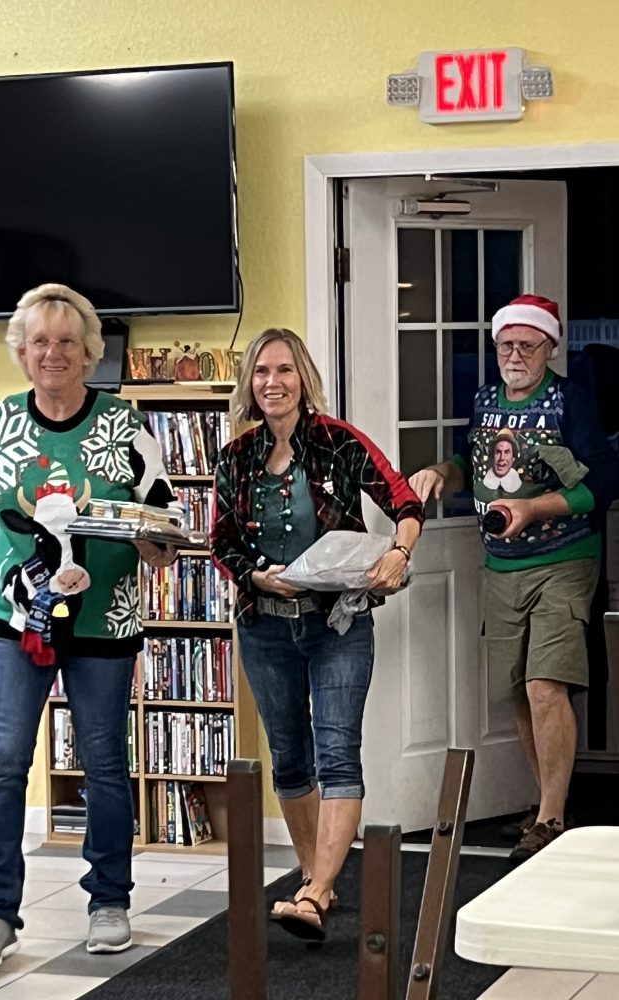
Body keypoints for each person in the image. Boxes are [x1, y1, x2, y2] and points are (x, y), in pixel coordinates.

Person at [0, 283, 179, 969]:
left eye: (68, 342)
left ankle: (110, 902)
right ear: (22, 353)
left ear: (88, 353)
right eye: (40, 342)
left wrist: (157, 543)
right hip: (17, 618)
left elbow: (163, 517)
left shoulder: (125, 423)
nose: (54, 353)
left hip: (105, 621)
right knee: (3, 762)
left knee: (104, 763)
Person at [211, 327, 422, 941]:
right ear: (249, 383)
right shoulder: (235, 456)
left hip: (338, 623)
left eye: (284, 370)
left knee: (337, 750)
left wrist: (400, 553)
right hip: (264, 625)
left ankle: (317, 890)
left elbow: (405, 502)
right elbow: (221, 541)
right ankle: (314, 881)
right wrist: (256, 577)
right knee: (289, 755)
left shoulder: (338, 440)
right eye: (260, 372)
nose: (272, 382)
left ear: (303, 377)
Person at [409, 294, 619, 862]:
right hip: (501, 566)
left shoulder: (569, 400)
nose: (516, 355)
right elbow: (470, 462)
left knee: (546, 685)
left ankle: (550, 817)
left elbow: (603, 480)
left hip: (564, 559)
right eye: (506, 345)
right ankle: (551, 803)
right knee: (520, 694)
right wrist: (442, 472)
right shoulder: (484, 400)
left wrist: (534, 508)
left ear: (550, 347)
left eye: (528, 345)